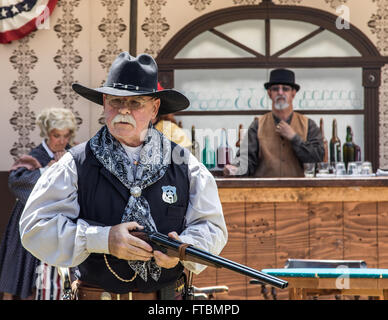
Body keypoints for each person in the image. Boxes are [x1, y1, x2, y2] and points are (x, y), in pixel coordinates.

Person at [19, 52, 227, 300]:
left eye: (136, 103)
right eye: (115, 101)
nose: (124, 111)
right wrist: (102, 239)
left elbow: (212, 227)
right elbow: (35, 227)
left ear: (154, 109)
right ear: (105, 102)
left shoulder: (186, 165)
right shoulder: (74, 164)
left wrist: (181, 250)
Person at [0, 107, 77, 300]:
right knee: (21, 269)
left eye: (66, 135)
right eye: (56, 135)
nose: (61, 141)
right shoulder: (35, 157)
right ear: (47, 133)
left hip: (63, 219)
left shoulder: (73, 154)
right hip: (32, 218)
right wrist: (49, 170)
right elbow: (16, 182)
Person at [224, 69, 324, 177]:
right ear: (269, 93)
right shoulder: (258, 125)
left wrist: (294, 138)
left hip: (299, 191)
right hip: (264, 191)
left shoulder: (308, 124)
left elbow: (318, 156)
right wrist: (235, 169)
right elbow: (246, 159)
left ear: (293, 93)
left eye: (285, 89)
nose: (280, 92)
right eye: (275, 89)